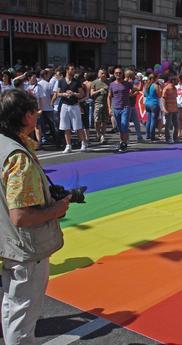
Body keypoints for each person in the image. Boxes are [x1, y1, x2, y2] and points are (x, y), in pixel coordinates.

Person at [0, 89, 70, 345]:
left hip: (7, 240)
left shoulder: (4, 144)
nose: (39, 114)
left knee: (12, 305)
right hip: (25, 247)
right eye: (34, 110)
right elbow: (21, 216)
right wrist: (57, 209)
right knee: (23, 313)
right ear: (26, 116)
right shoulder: (18, 158)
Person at [54, 63, 87, 153]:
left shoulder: (76, 81)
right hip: (65, 105)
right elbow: (57, 93)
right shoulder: (61, 81)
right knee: (65, 126)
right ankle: (68, 145)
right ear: (67, 70)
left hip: (74, 105)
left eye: (73, 69)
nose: (73, 71)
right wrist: (64, 94)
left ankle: (83, 143)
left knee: (78, 126)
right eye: (71, 69)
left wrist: (74, 94)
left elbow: (82, 94)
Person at [108, 66, 132, 152]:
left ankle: (124, 143)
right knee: (120, 127)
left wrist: (131, 94)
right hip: (116, 108)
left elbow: (137, 90)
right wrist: (109, 108)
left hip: (125, 107)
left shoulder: (127, 83)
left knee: (124, 125)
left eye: (120, 73)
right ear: (114, 74)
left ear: (122, 74)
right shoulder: (111, 84)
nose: (118, 74)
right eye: (116, 73)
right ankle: (122, 141)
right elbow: (109, 97)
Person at [90, 69, 110, 144]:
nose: (103, 75)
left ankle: (103, 135)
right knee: (96, 120)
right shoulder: (95, 82)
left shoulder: (108, 82)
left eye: (104, 73)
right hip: (97, 103)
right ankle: (98, 134)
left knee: (105, 120)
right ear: (98, 74)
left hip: (106, 104)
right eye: (102, 73)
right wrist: (99, 90)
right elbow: (91, 94)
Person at [161, 74, 179, 144]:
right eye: (176, 81)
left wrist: (176, 108)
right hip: (168, 109)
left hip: (174, 109)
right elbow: (164, 99)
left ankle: (175, 138)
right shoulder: (167, 88)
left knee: (176, 125)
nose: (178, 82)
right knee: (168, 125)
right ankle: (167, 138)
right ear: (173, 80)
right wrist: (165, 109)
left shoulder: (175, 88)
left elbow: (175, 99)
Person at [144, 73, 161, 141]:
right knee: (153, 120)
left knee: (149, 120)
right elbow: (159, 95)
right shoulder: (155, 85)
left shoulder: (146, 85)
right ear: (155, 78)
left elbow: (145, 95)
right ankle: (152, 136)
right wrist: (161, 89)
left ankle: (148, 135)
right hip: (154, 104)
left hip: (147, 103)